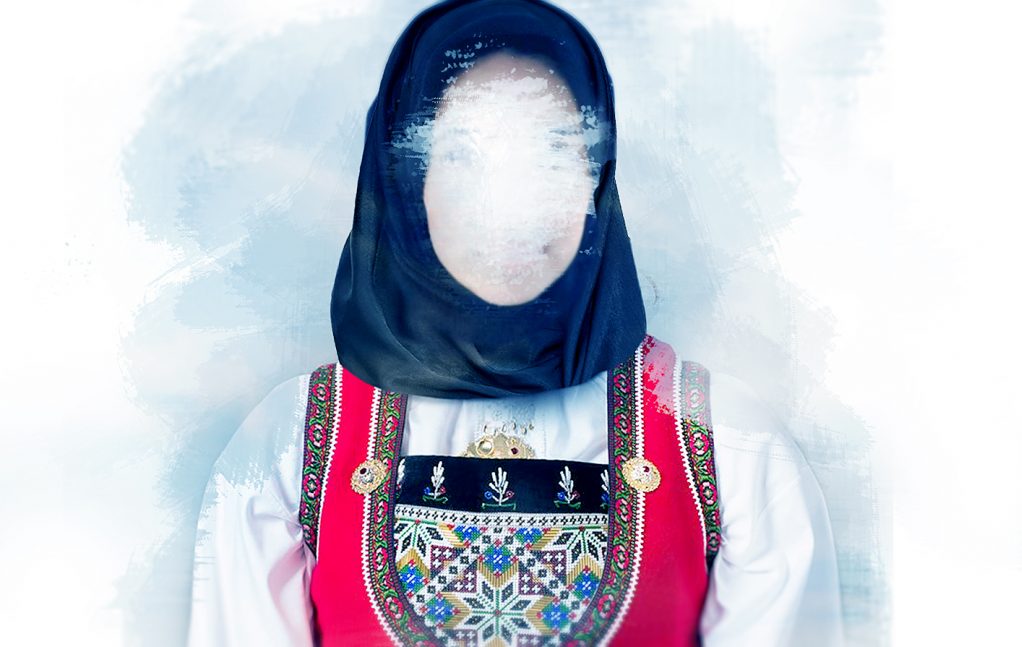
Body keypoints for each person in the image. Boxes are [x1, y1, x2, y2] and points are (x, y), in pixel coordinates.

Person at [187, 1, 844, 645]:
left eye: (553, 152)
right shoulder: (290, 444)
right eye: (464, 154)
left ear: (597, 181)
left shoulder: (728, 443)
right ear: (407, 183)